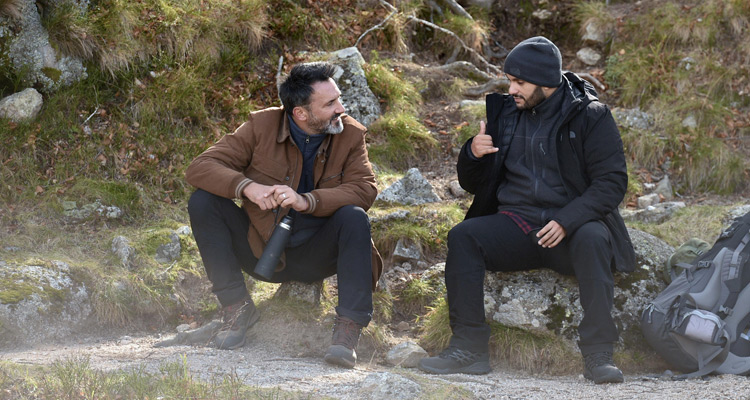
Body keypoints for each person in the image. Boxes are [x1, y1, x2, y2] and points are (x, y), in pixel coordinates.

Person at [417, 36, 636, 384]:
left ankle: (598, 354)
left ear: (546, 82)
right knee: (463, 237)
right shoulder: (505, 113)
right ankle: (469, 348)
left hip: (571, 231)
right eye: (510, 80)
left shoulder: (590, 115)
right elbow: (474, 183)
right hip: (516, 225)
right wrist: (472, 153)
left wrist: (567, 220)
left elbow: (611, 183)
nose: (511, 89)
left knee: (594, 238)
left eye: (519, 82)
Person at [185, 62, 382, 369]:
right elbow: (199, 168)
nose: (340, 108)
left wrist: (307, 201)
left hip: (319, 253)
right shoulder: (260, 126)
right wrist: (246, 187)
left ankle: (347, 332)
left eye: (338, 99)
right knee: (203, 201)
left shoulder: (351, 135)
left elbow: (365, 189)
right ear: (301, 113)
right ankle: (237, 309)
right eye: (330, 103)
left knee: (354, 216)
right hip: (261, 249)